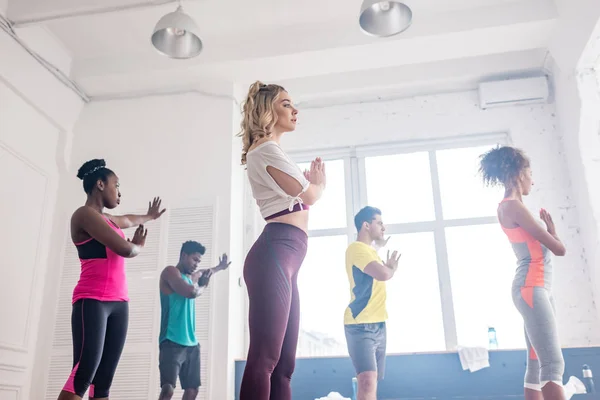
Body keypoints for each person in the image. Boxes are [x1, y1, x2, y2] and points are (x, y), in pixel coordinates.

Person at [237, 81, 327, 400]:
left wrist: (311, 186)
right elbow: (309, 196)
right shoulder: (265, 150)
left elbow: (304, 194)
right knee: (265, 359)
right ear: (267, 111)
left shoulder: (272, 151)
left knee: (284, 365)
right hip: (274, 253)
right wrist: (317, 184)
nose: (294, 110)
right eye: (286, 104)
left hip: (287, 258)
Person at [58, 158, 166, 400]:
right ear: (99, 184)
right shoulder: (84, 215)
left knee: (104, 381)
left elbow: (127, 220)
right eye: (116, 185)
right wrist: (137, 246)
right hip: (92, 300)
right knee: (83, 374)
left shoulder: (107, 220)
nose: (119, 192)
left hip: (119, 303)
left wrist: (148, 217)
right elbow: (126, 250)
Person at [479, 145, 567, 400]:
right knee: (552, 364)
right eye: (530, 172)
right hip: (532, 288)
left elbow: (550, 247)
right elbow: (559, 249)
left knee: (537, 364)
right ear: (519, 173)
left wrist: (550, 233)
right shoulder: (513, 206)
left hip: (537, 289)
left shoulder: (512, 206)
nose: (533, 179)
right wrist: (553, 232)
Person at [157, 241, 231, 400]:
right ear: (184, 255)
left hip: (191, 344)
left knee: (192, 390)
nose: (197, 264)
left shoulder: (192, 276)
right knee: (168, 389)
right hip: (171, 341)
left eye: (199, 261)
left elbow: (205, 272)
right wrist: (203, 286)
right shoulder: (170, 272)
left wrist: (220, 267)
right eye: (195, 259)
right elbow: (190, 292)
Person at [344, 206, 401, 400]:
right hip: (360, 324)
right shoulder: (356, 249)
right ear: (366, 225)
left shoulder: (369, 251)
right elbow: (383, 274)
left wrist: (379, 248)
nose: (383, 228)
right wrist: (391, 268)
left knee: (373, 381)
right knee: (367, 380)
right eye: (379, 223)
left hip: (378, 323)